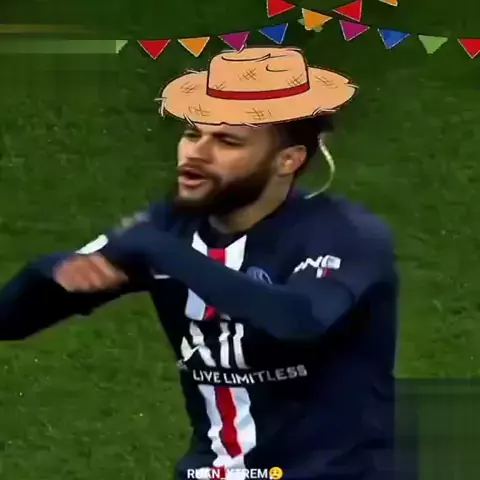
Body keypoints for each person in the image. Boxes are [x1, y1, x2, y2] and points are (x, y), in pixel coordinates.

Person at [0, 46, 398, 479]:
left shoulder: (346, 234)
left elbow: (299, 319)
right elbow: (10, 320)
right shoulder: (169, 226)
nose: (196, 153)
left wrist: (160, 251)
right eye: (193, 134)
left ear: (288, 160)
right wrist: (51, 272)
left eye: (226, 141)